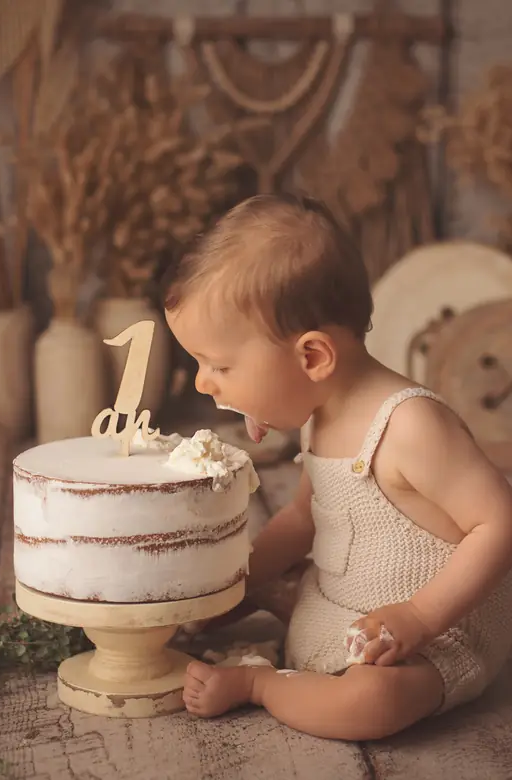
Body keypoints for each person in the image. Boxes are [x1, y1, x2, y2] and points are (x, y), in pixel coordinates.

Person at [163, 193, 512, 740]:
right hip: (343, 608)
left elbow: (498, 524)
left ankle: (260, 685)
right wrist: (236, 584)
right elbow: (304, 519)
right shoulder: (317, 414)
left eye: (219, 365)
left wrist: (419, 617)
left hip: (434, 637)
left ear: (312, 357)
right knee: (257, 590)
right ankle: (283, 608)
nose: (204, 382)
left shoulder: (411, 426)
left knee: (372, 701)